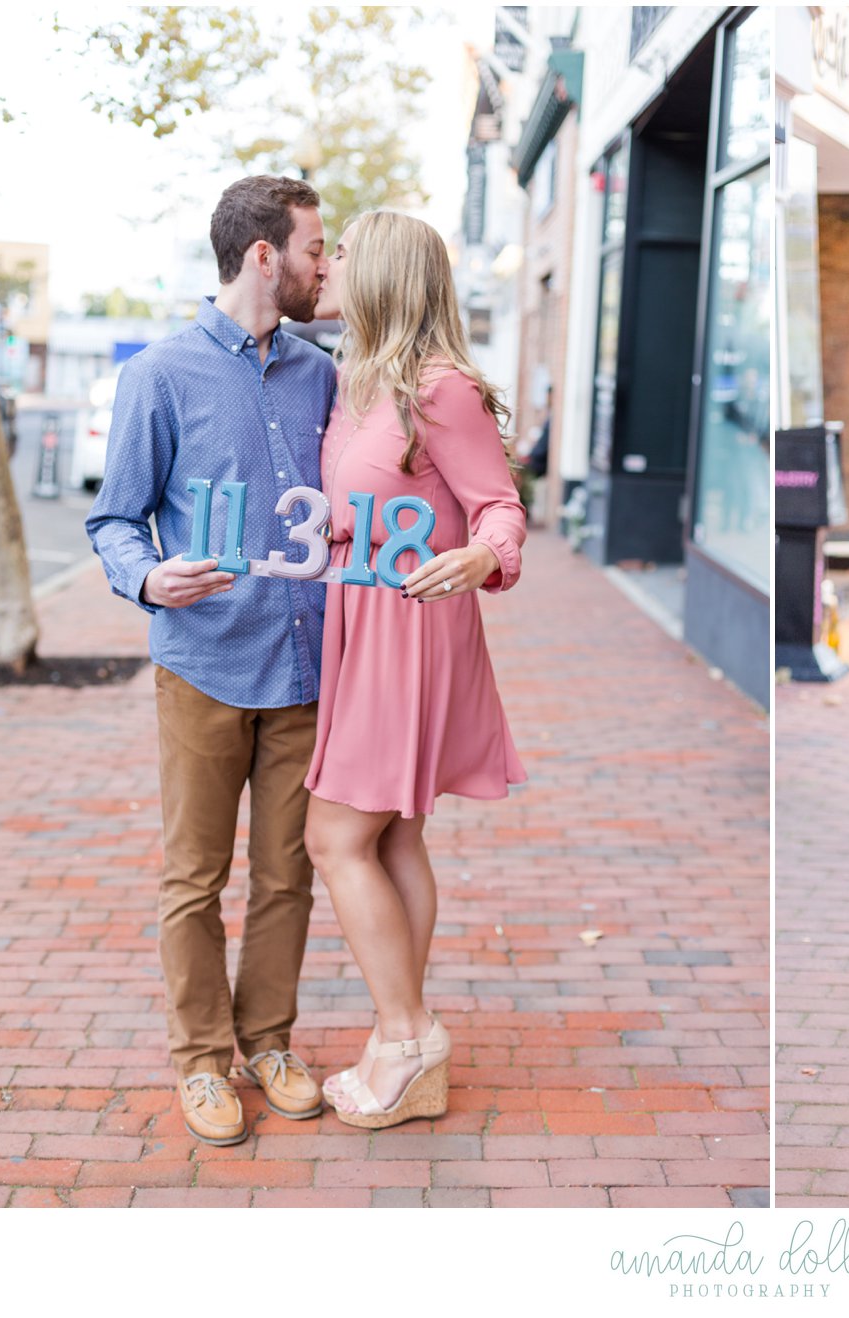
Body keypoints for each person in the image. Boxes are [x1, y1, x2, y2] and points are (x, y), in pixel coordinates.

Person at [87, 176, 335, 1146]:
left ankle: (267, 1039)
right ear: (264, 254)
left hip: (307, 665)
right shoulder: (159, 374)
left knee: (288, 875)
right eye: (315, 245)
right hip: (200, 664)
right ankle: (200, 1058)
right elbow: (113, 519)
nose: (325, 262)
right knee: (193, 877)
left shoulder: (322, 375)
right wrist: (148, 581)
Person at [302, 210, 527, 1130]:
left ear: (384, 272)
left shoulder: (443, 389)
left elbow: (499, 508)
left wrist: (483, 556)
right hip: (357, 622)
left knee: (334, 837)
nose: (329, 264)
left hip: (411, 627)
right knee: (392, 838)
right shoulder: (357, 381)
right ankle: (401, 1034)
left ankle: (407, 1035)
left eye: (342, 252)